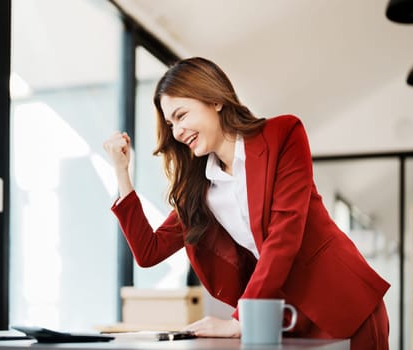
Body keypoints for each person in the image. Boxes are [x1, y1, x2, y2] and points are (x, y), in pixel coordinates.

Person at [103, 57, 390, 349]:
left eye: (181, 115)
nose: (176, 131)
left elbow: (284, 234)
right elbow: (148, 251)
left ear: (214, 100)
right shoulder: (200, 188)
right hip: (283, 320)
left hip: (343, 302)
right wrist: (121, 172)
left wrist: (241, 319)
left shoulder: (283, 135)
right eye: (170, 123)